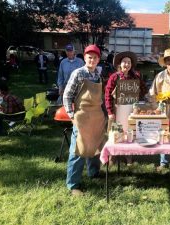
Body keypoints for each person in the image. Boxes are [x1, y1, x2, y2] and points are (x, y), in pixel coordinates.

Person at [63, 45, 106, 196]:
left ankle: (94, 173)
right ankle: (73, 184)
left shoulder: (98, 75)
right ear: (85, 57)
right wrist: (71, 115)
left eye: (95, 57)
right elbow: (67, 96)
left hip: (96, 116)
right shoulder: (78, 73)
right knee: (78, 150)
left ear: (98, 59)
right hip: (81, 116)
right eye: (89, 57)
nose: (92, 60)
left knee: (95, 146)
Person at [105, 51, 147, 165]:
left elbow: (144, 89)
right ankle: (113, 156)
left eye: (129, 62)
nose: (126, 65)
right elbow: (108, 94)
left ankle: (129, 155)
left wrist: (137, 92)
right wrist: (110, 111)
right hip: (117, 109)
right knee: (116, 131)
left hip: (131, 109)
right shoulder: (114, 77)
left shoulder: (136, 76)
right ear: (120, 64)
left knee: (130, 132)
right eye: (124, 62)